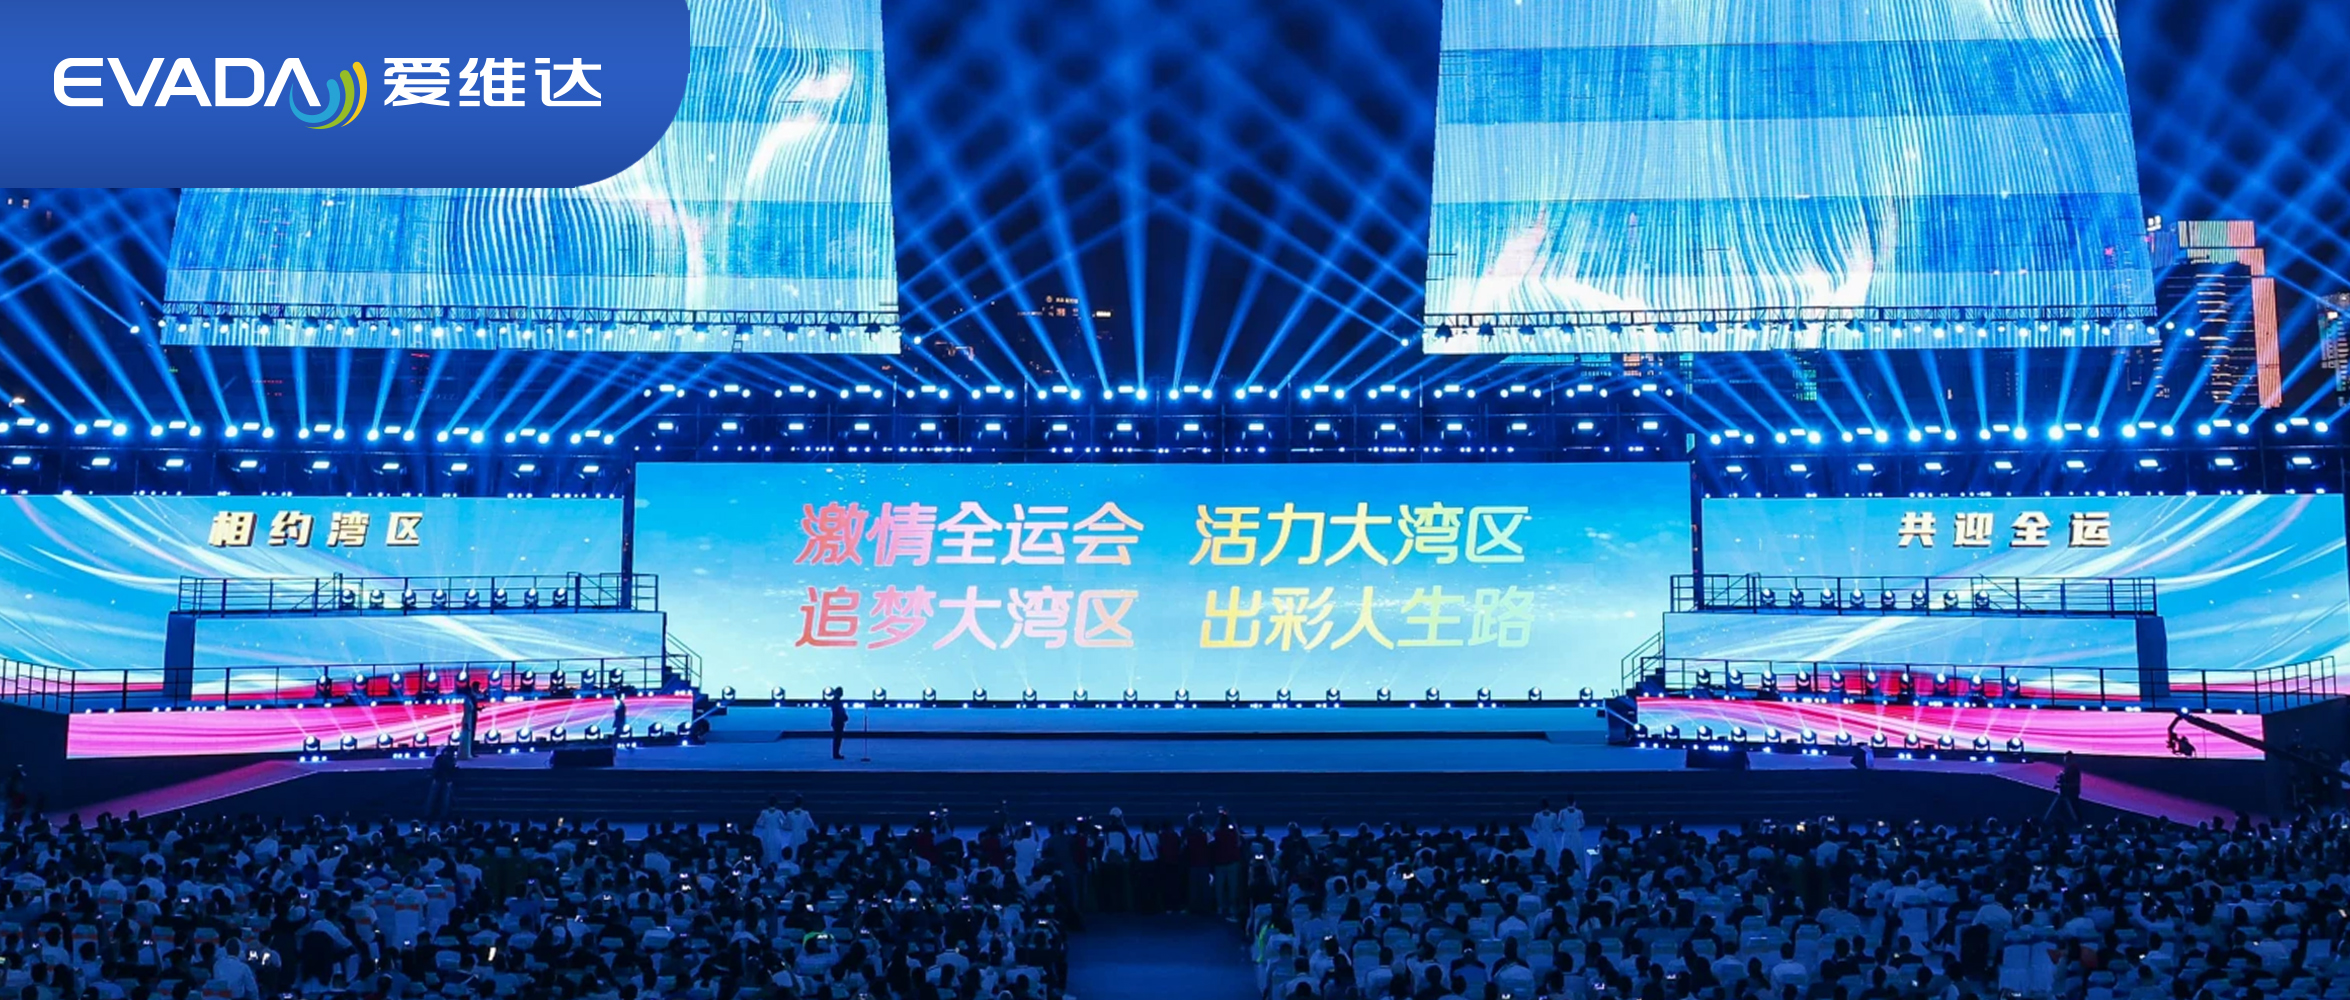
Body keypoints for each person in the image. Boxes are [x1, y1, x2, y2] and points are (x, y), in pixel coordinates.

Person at [2045, 751, 2084, 824]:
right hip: (2066, 792)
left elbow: (2075, 783)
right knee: (2064, 808)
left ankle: (2078, 823)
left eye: (2067, 759)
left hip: (2072, 793)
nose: (2065, 761)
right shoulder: (2067, 768)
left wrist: (2063, 784)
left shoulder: (2074, 770)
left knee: (2074, 809)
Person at [425, 745, 459, 818]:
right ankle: (439, 814)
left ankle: (431, 814)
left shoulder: (441, 758)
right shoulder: (449, 759)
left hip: (441, 779)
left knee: (437, 798)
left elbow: (435, 768)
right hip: (443, 779)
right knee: (441, 798)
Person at [828, 688, 850, 760]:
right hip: (838, 722)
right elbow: (838, 712)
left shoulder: (836, 701)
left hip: (837, 721)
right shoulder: (836, 701)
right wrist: (843, 717)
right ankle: (836, 754)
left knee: (837, 738)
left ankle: (836, 753)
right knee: (837, 738)